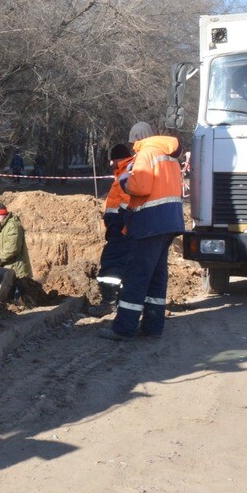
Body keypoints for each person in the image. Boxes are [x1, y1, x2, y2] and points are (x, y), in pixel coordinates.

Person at [99, 124, 185, 341]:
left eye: (132, 143)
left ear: (137, 139)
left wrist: (125, 178)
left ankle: (123, 329)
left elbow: (141, 187)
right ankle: (153, 327)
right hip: (170, 222)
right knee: (157, 277)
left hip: (149, 223)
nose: (132, 148)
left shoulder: (146, 154)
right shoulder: (169, 156)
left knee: (137, 277)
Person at [91, 142, 134, 315]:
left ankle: (108, 303)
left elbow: (128, 202)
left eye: (112, 159)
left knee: (111, 264)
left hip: (120, 229)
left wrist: (120, 224)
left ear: (119, 159)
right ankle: (119, 302)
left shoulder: (127, 173)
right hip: (118, 227)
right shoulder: (122, 173)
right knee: (119, 264)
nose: (110, 163)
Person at [0, 205, 42, 305]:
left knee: (17, 292)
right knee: (10, 290)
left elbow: (12, 248)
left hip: (15, 267)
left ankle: (25, 309)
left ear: (4, 215)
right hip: (6, 267)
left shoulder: (12, 226)